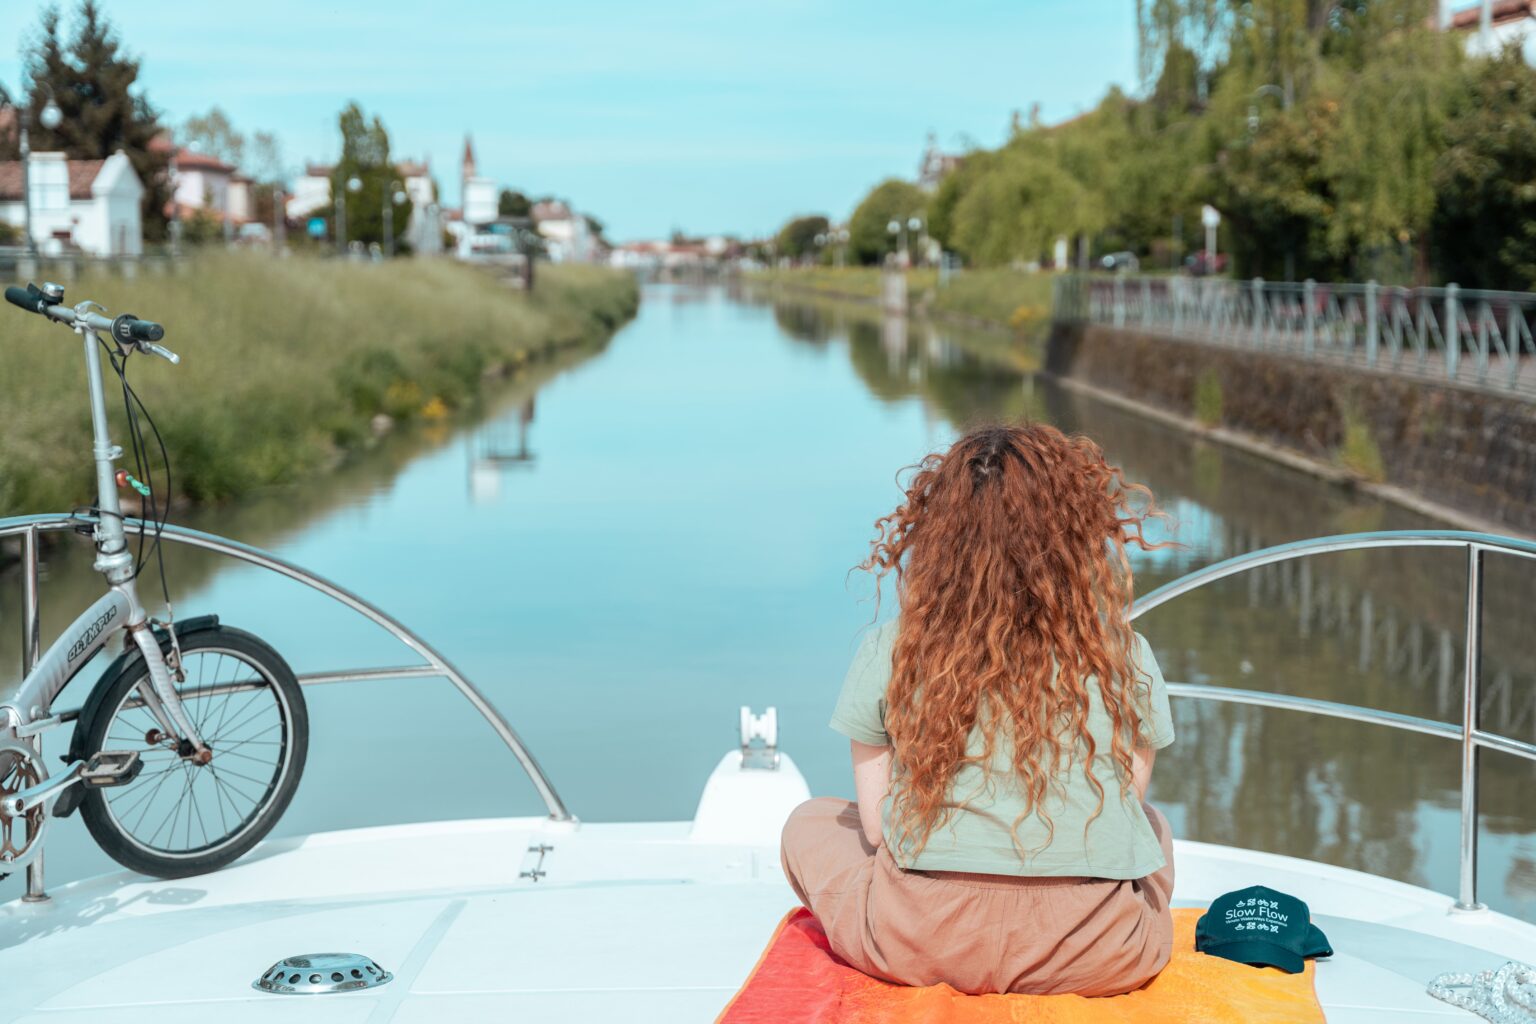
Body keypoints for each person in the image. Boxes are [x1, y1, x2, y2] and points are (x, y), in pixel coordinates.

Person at [780, 423, 1177, 997]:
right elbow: (1127, 806)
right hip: (1096, 953)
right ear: (1073, 536)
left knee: (810, 823)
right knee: (1155, 829)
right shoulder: (1125, 655)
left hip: (919, 940)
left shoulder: (892, 648)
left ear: (940, 536)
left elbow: (876, 827)